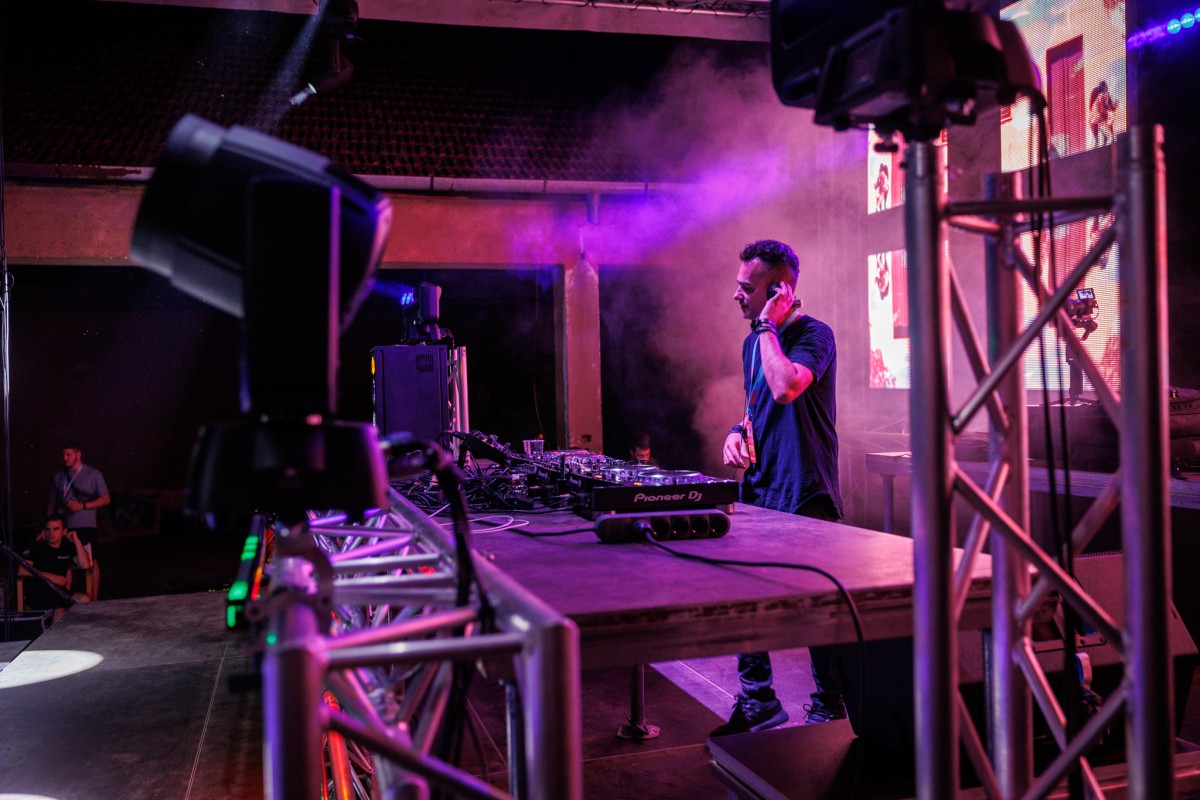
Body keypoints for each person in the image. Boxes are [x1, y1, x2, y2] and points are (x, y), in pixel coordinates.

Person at [711, 239, 846, 737]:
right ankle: (758, 702)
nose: (737, 295)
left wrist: (768, 326)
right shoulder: (753, 344)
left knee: (818, 610)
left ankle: (830, 707)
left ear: (778, 292)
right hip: (761, 490)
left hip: (806, 491)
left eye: (747, 288)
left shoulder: (814, 334)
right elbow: (759, 406)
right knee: (743, 597)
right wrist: (735, 432)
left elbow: (787, 386)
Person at [48, 441, 109, 601]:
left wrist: (82, 506)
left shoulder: (93, 474)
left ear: (78, 454)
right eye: (63, 455)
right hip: (63, 527)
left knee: (90, 561)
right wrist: (48, 523)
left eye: (68, 454)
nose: (65, 458)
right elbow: (52, 503)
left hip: (85, 525)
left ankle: (94, 599)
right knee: (64, 561)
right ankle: (64, 598)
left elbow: (105, 498)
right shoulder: (59, 476)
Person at [19, 514, 92, 622]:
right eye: (48, 529)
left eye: (55, 529)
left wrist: (76, 541)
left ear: (64, 531)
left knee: (85, 599)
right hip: (39, 590)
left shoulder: (67, 546)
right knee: (60, 611)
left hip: (59, 591)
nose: (51, 533)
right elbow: (21, 570)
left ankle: (81, 630)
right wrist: (52, 577)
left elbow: (85, 565)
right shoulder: (37, 546)